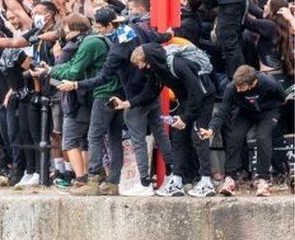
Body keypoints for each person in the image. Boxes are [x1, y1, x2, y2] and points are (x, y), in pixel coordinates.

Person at [130, 42, 217, 197]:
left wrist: (185, 117)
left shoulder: (177, 65)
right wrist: (128, 103)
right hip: (186, 100)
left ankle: (206, 181)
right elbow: (151, 91)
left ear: (150, 59)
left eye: (142, 64)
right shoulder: (158, 70)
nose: (142, 68)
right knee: (178, 138)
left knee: (198, 135)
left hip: (203, 97)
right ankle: (177, 180)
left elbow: (197, 93)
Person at [49, 13, 117, 191]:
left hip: (99, 93)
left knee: (89, 137)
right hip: (101, 93)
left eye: (65, 29)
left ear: (75, 28)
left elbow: (74, 70)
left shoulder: (89, 43)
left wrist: (52, 70)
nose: (64, 33)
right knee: (108, 138)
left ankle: (89, 179)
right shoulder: (93, 40)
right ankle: (108, 179)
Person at [210, 66, 286, 197]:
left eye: (242, 87)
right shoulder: (232, 88)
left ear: (254, 83)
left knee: (262, 137)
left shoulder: (268, 83)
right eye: (237, 87)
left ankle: (263, 179)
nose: (238, 90)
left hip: (268, 111)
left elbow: (282, 96)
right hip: (245, 111)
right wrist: (212, 129)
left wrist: (273, 109)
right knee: (234, 136)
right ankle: (231, 178)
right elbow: (222, 112)